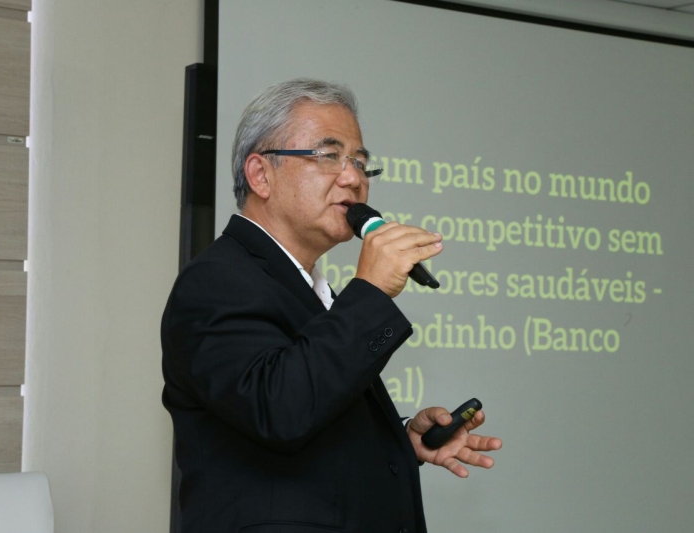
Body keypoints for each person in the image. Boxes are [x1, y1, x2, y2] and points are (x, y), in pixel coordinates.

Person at [161, 78, 501, 533]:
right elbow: (278, 410)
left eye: (360, 162)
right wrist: (372, 291)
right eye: (328, 155)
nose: (354, 178)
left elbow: (313, 407)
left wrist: (399, 439)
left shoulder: (312, 288)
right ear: (261, 174)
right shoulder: (215, 281)